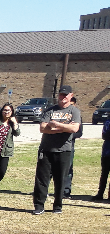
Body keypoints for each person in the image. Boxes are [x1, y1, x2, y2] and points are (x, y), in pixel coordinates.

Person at [31, 85, 81, 215]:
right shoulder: (50, 110)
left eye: (66, 95)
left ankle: (58, 205)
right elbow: (42, 128)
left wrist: (56, 125)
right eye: (61, 94)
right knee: (42, 178)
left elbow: (74, 129)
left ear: (71, 95)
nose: (63, 97)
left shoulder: (74, 111)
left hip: (64, 150)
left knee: (61, 179)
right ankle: (39, 205)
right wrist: (65, 127)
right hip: (46, 149)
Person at [63, 95, 83, 199]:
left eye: (72, 105)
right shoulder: (61, 115)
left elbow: (79, 133)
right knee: (52, 169)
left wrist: (68, 133)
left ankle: (66, 192)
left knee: (68, 169)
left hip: (70, 146)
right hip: (57, 145)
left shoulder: (77, 116)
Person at [94, 116, 110, 201]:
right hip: (107, 152)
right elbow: (105, 135)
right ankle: (100, 193)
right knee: (104, 174)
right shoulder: (108, 122)